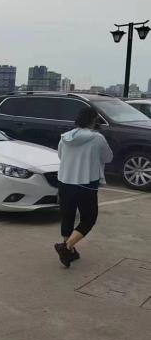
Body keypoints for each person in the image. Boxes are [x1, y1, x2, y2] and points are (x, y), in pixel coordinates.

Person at [55, 106, 113, 267]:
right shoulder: (97, 138)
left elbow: (60, 155)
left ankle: (69, 251)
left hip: (65, 181)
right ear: (94, 120)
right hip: (86, 183)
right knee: (89, 218)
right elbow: (108, 157)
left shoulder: (65, 137)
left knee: (67, 216)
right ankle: (66, 247)